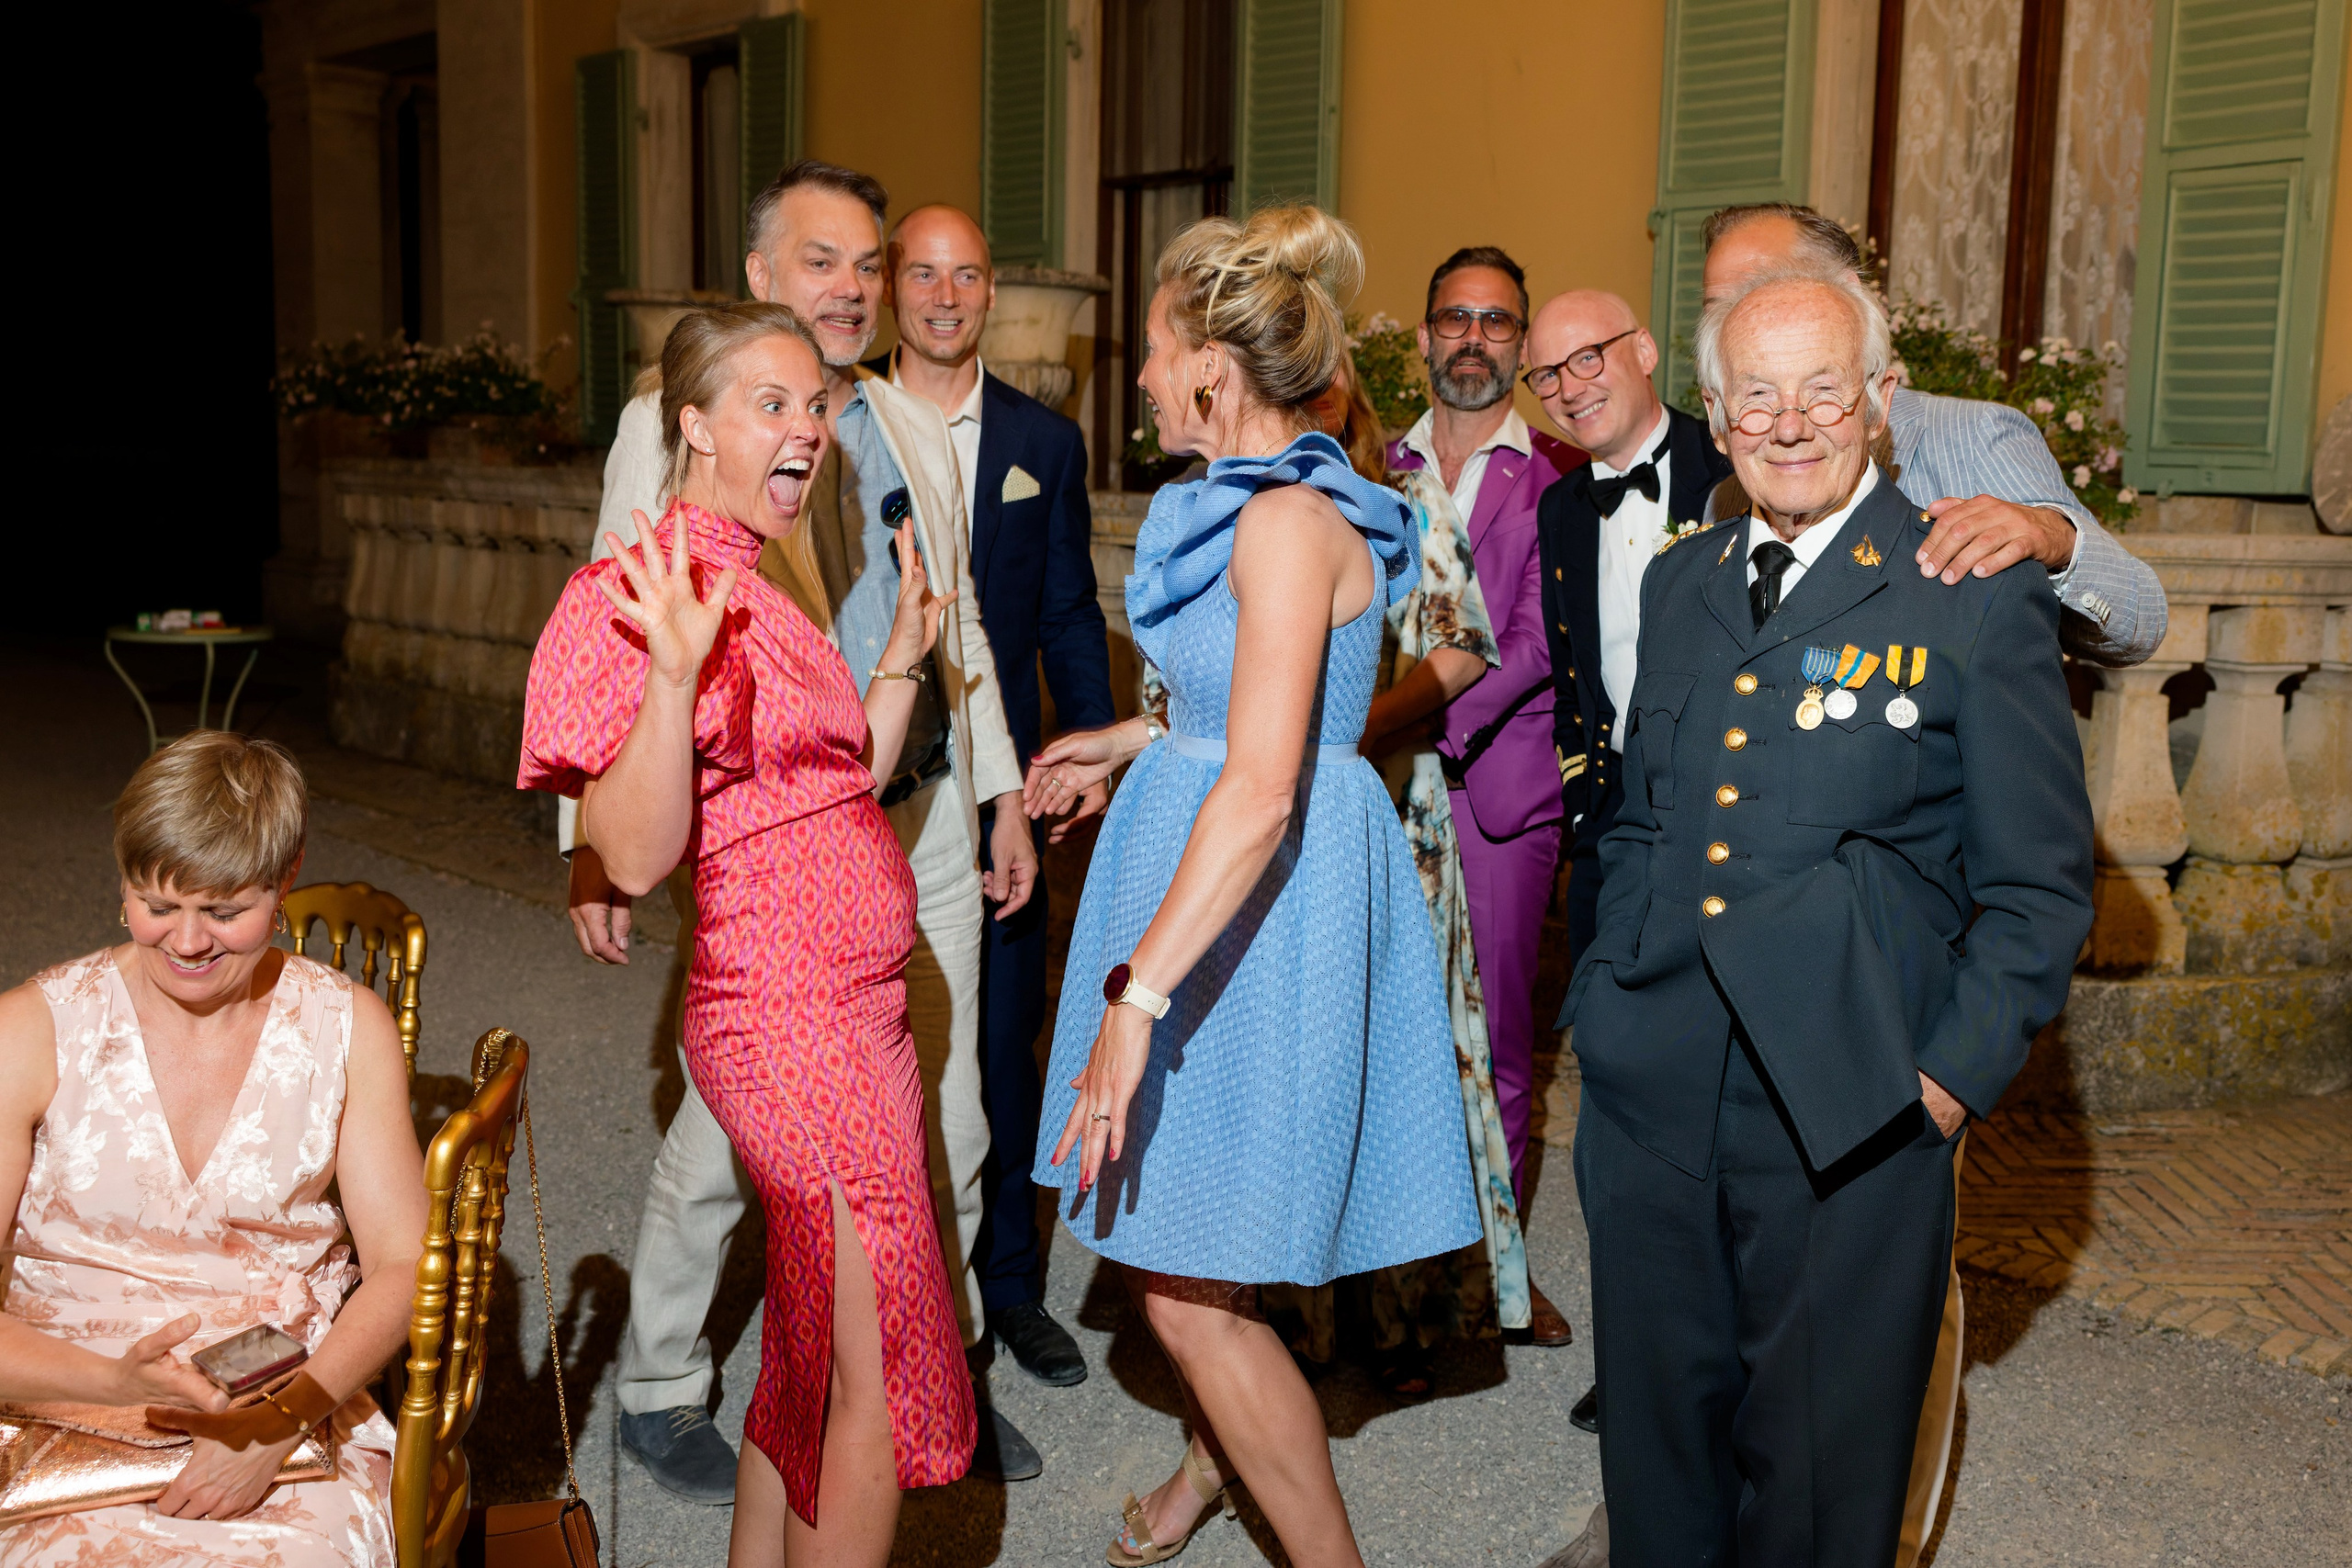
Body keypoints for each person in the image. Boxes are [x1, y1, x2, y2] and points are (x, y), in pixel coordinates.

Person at [1562, 264, 2093, 1566]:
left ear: (1879, 400)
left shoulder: (1969, 583)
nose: (1789, 423)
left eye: (1822, 390)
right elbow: (1640, 810)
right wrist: (1605, 996)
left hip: (1853, 1101)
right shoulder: (1679, 585)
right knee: (1658, 1460)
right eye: (1758, 396)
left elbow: (2037, 881)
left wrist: (1949, 1079)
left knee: (1815, 1485)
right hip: (1656, 1092)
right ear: (1717, 412)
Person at [563, 161, 1046, 1497]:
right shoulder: (671, 424)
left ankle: (918, 1363)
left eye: (868, 263)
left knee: (942, 1116)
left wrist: (1000, 791)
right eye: (822, 261)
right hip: (761, 832)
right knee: (730, 1132)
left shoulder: (901, 419)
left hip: (920, 809)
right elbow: (615, 629)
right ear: (763, 274)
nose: (854, 286)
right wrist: (588, 843)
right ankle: (660, 1380)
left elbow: (960, 635)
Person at [1023, 205, 1480, 1567]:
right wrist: (1129, 739)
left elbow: (1271, 780)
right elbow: (1250, 712)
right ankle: (1206, 1478)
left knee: (1187, 1290)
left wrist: (1134, 994)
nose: (1145, 376)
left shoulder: (1285, 522)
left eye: (1157, 353)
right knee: (1194, 1244)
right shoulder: (1256, 504)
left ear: (1215, 367)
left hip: (1254, 907)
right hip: (1221, 859)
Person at [521, 301, 976, 1565]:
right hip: (786, 1016)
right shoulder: (641, 589)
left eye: (818, 403)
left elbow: (837, 779)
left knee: (814, 1333)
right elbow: (636, 845)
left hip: (863, 1008)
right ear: (694, 425)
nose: (810, 428)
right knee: (880, 1346)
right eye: (771, 403)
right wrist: (669, 678)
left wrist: (894, 664)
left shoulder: (766, 578)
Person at [1, 731, 424, 1566]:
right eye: (157, 904)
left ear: (286, 875)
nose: (189, 943)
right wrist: (115, 1384)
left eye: (226, 912)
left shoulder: (345, 1028)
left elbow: (406, 1269)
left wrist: (279, 1422)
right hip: (54, 1404)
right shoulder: (31, 1030)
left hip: (282, 1408)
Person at [876, 202, 1114, 1388]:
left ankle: (1009, 1282)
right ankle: (898, 1284)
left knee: (1004, 1037)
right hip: (873, 787)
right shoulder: (844, 427)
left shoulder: (1042, 443)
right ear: (891, 290)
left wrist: (1079, 753)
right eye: (923, 273)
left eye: (966, 274)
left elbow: (1068, 610)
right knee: (886, 1045)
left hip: (999, 784)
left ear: (987, 294)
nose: (945, 295)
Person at [1261, 358, 1531, 1397]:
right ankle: (1283, 1315)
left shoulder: (1404, 499)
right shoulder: (1248, 507)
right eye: (1295, 390)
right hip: (1270, 819)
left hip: (1386, 810)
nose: (1314, 408)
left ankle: (1408, 1318)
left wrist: (1350, 730)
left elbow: (1465, 645)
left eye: (1329, 389)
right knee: (1297, 1066)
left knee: (1397, 1072)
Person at [1385, 247, 1582, 1348]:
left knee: (1500, 1046)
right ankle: (1395, 1281)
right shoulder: (1369, 462)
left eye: (1496, 322)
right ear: (1422, 336)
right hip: (1375, 794)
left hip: (1494, 794)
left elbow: (1537, 643)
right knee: (1396, 1039)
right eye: (1452, 317)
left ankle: (1486, 1274)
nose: (1472, 338)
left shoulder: (1553, 476)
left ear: (1520, 343)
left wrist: (1417, 716)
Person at [1702, 203, 2165, 664]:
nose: (1749, 314)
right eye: (1718, 306)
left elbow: (2140, 624)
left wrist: (2058, 540)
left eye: (1771, 287)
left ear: (1847, 293)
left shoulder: (1973, 437)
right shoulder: (1729, 496)